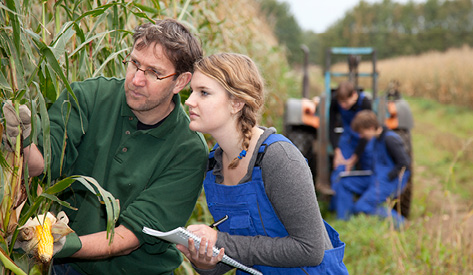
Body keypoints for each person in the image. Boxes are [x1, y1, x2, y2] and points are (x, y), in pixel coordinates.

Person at [3, 19, 208, 274]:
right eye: (134, 63)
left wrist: (56, 243)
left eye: (154, 72)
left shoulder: (189, 150)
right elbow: (40, 165)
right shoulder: (89, 96)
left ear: (180, 82)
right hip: (66, 265)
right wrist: (21, 140)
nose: (136, 80)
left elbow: (128, 238)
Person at [179, 52, 348, 274]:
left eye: (204, 93)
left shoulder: (278, 158)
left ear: (236, 103)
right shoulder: (214, 165)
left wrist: (221, 241)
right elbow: (239, 252)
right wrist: (205, 262)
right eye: (192, 92)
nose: (190, 101)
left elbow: (310, 250)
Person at [334, 110, 410, 225]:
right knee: (344, 181)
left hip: (389, 181)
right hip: (376, 177)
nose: (361, 136)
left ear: (370, 128)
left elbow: (405, 163)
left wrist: (389, 176)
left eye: (362, 132)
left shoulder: (390, 139)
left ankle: (402, 224)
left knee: (363, 206)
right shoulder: (375, 140)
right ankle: (344, 221)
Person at [329, 81, 373, 211]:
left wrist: (354, 158)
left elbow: (367, 134)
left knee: (369, 169)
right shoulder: (334, 100)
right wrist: (337, 151)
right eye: (341, 103)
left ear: (354, 95)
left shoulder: (365, 103)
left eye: (346, 103)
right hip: (347, 137)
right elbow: (331, 126)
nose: (343, 106)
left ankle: (365, 205)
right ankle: (338, 209)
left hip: (365, 139)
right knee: (340, 168)